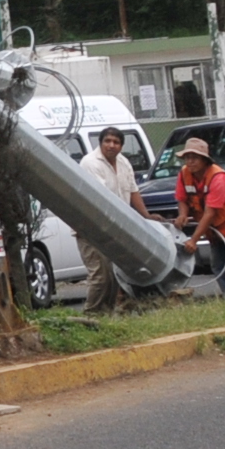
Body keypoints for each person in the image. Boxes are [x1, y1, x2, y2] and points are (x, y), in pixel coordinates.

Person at [173, 137, 225, 299]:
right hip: (216, 228)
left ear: (204, 160)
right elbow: (182, 199)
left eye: (195, 157)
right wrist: (182, 214)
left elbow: (210, 213)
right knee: (219, 266)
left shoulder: (218, 178)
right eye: (187, 157)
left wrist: (194, 240)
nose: (190, 161)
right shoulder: (184, 174)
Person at [79, 124, 148, 311]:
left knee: (115, 275)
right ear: (100, 143)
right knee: (100, 276)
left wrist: (146, 217)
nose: (111, 145)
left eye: (116, 142)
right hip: (92, 228)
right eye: (107, 141)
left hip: (116, 229)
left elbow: (133, 190)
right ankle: (91, 315)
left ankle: (106, 316)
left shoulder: (124, 162)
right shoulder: (90, 163)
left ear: (121, 146)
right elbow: (103, 199)